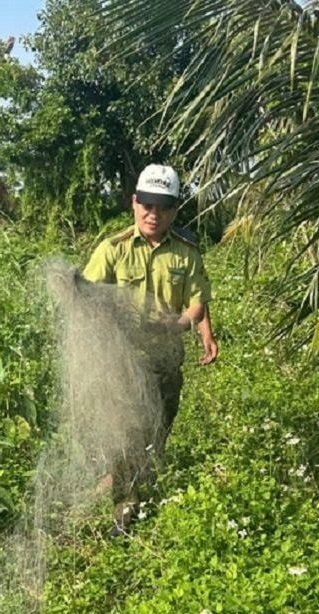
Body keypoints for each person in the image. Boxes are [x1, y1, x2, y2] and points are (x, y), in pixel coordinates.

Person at [80, 163, 219, 532]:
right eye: (147, 204)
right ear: (134, 203)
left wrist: (187, 325)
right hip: (121, 362)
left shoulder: (186, 253)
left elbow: (196, 303)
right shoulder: (112, 250)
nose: (153, 214)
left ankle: (128, 482)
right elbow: (87, 295)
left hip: (166, 362)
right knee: (129, 434)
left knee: (157, 432)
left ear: (174, 210)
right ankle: (124, 514)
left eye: (162, 207)